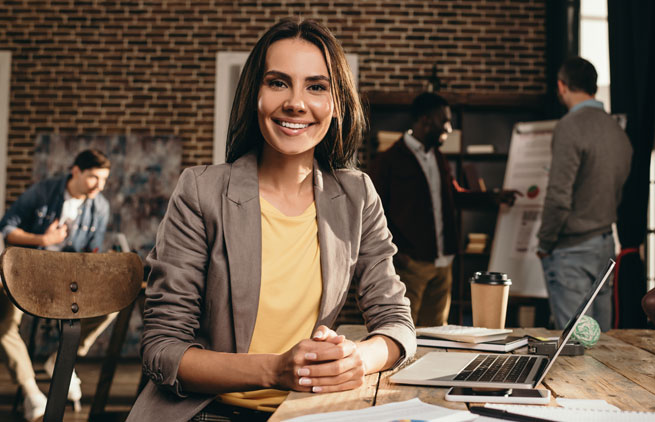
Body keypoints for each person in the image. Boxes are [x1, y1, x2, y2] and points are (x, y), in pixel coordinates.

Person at [126, 18, 415, 422]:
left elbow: (396, 321)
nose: (296, 102)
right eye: (278, 82)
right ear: (254, 96)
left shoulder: (357, 195)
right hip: (209, 413)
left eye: (316, 86)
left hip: (307, 412)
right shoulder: (200, 191)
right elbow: (161, 349)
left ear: (336, 105)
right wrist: (276, 370)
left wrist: (360, 358)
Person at [0, 148, 112, 421]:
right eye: (94, 178)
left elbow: (91, 252)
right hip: (24, 276)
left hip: (67, 281)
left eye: (104, 179)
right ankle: (31, 392)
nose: (100, 185)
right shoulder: (42, 192)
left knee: (111, 306)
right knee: (3, 324)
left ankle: (61, 359)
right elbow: (6, 228)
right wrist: (43, 241)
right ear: (75, 171)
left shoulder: (100, 207)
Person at [536, 57, 632, 332]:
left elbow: (558, 195)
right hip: (604, 243)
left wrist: (545, 244)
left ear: (561, 86)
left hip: (571, 248)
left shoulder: (570, 126)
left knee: (574, 347)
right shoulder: (616, 129)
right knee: (601, 343)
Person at [369, 92, 458, 327]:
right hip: (411, 263)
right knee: (404, 330)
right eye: (444, 121)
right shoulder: (388, 160)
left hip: (443, 262)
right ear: (426, 120)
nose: (449, 128)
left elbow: (453, 195)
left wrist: (493, 197)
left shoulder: (439, 158)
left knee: (438, 333)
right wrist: (398, 254)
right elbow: (373, 212)